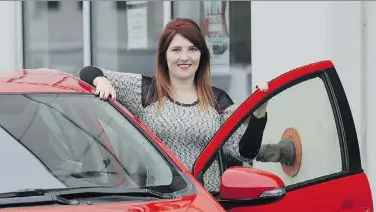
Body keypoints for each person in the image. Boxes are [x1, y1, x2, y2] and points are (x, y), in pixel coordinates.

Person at [78, 18, 268, 193]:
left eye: (192, 49)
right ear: (164, 55)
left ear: (202, 54)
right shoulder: (145, 91)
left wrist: (259, 113)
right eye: (176, 50)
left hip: (208, 205)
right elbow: (88, 71)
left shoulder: (218, 100)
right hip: (160, 203)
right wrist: (100, 80)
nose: (184, 57)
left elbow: (245, 152)